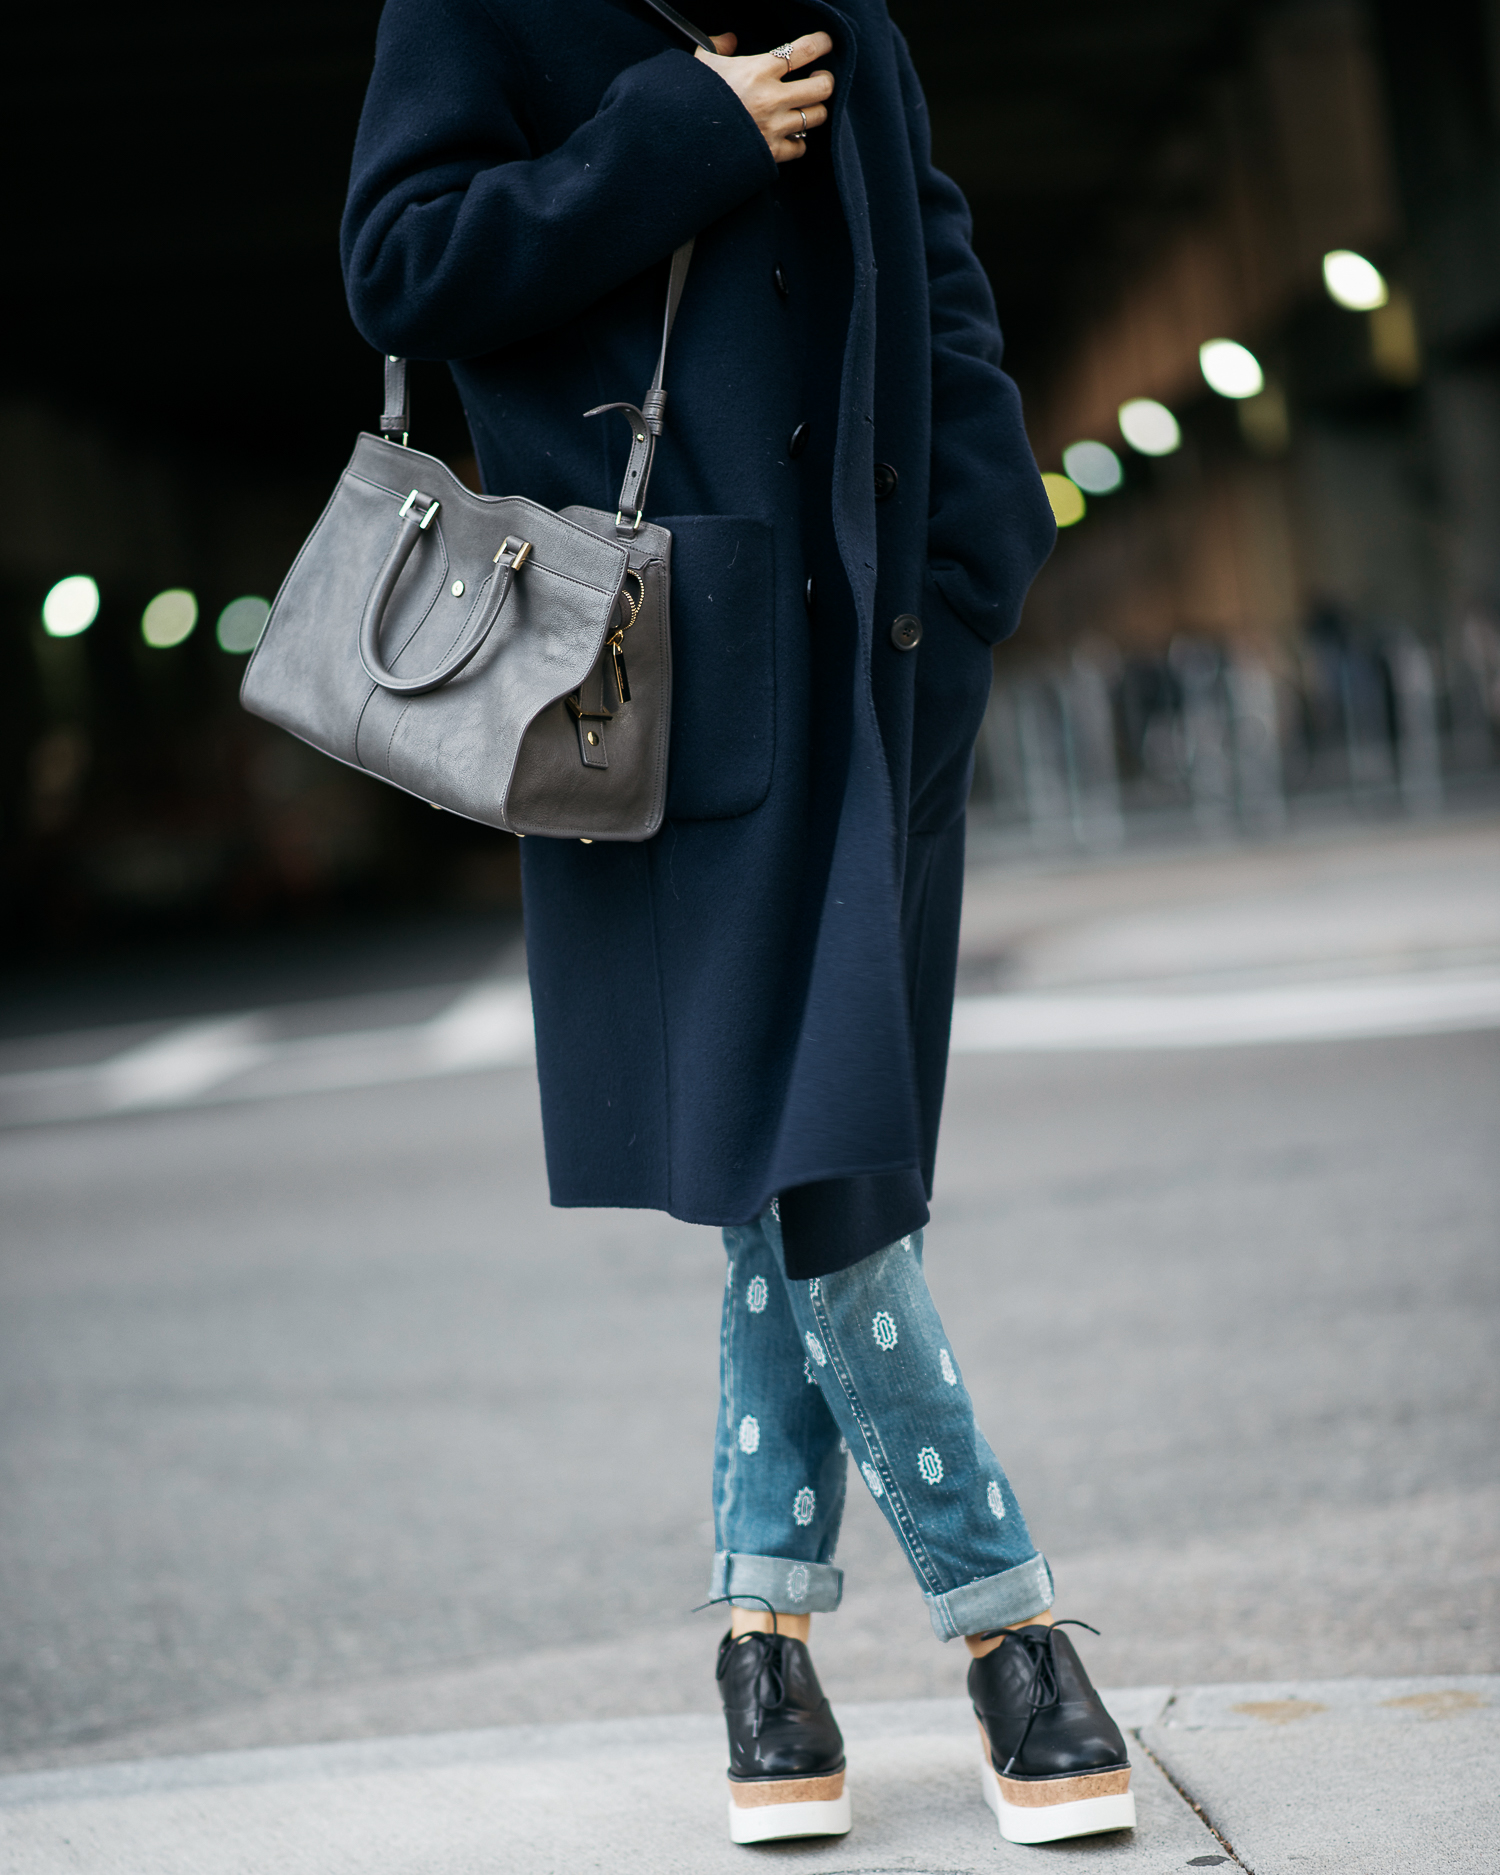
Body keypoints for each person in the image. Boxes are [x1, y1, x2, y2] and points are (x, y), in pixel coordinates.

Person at [342, 0, 1132, 1848]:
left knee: (823, 1146)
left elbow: (930, 255)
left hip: (889, 666)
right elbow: (402, 269)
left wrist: (979, 549)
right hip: (659, 683)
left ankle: (762, 1652)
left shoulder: (844, 5)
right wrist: (672, 133)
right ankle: (1008, 1628)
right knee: (818, 1155)